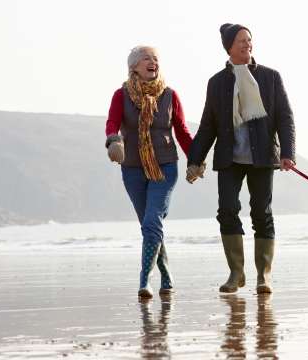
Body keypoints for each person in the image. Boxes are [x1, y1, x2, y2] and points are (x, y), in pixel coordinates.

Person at [187, 24, 296, 294]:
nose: (247, 44)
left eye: (249, 40)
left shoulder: (270, 77)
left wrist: (287, 153)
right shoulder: (217, 82)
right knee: (227, 210)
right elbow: (208, 125)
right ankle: (236, 273)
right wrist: (194, 159)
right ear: (229, 47)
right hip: (229, 158)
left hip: (261, 157)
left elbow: (284, 116)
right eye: (240, 41)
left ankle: (264, 276)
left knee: (262, 212)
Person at [105, 45, 193, 298]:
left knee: (153, 220)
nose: (152, 62)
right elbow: (112, 122)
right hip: (132, 167)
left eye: (155, 58)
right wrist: (114, 140)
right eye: (146, 58)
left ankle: (145, 280)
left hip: (164, 166)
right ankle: (166, 274)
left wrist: (195, 159)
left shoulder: (170, 95)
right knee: (149, 225)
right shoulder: (121, 96)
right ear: (134, 66)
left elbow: (182, 131)